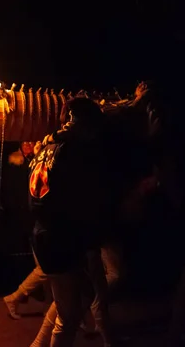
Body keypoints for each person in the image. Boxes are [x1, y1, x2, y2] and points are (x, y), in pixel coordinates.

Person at [27, 97, 110, 347]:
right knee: (70, 313)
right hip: (59, 235)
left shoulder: (48, 146)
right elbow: (81, 198)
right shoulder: (75, 151)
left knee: (80, 296)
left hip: (45, 231)